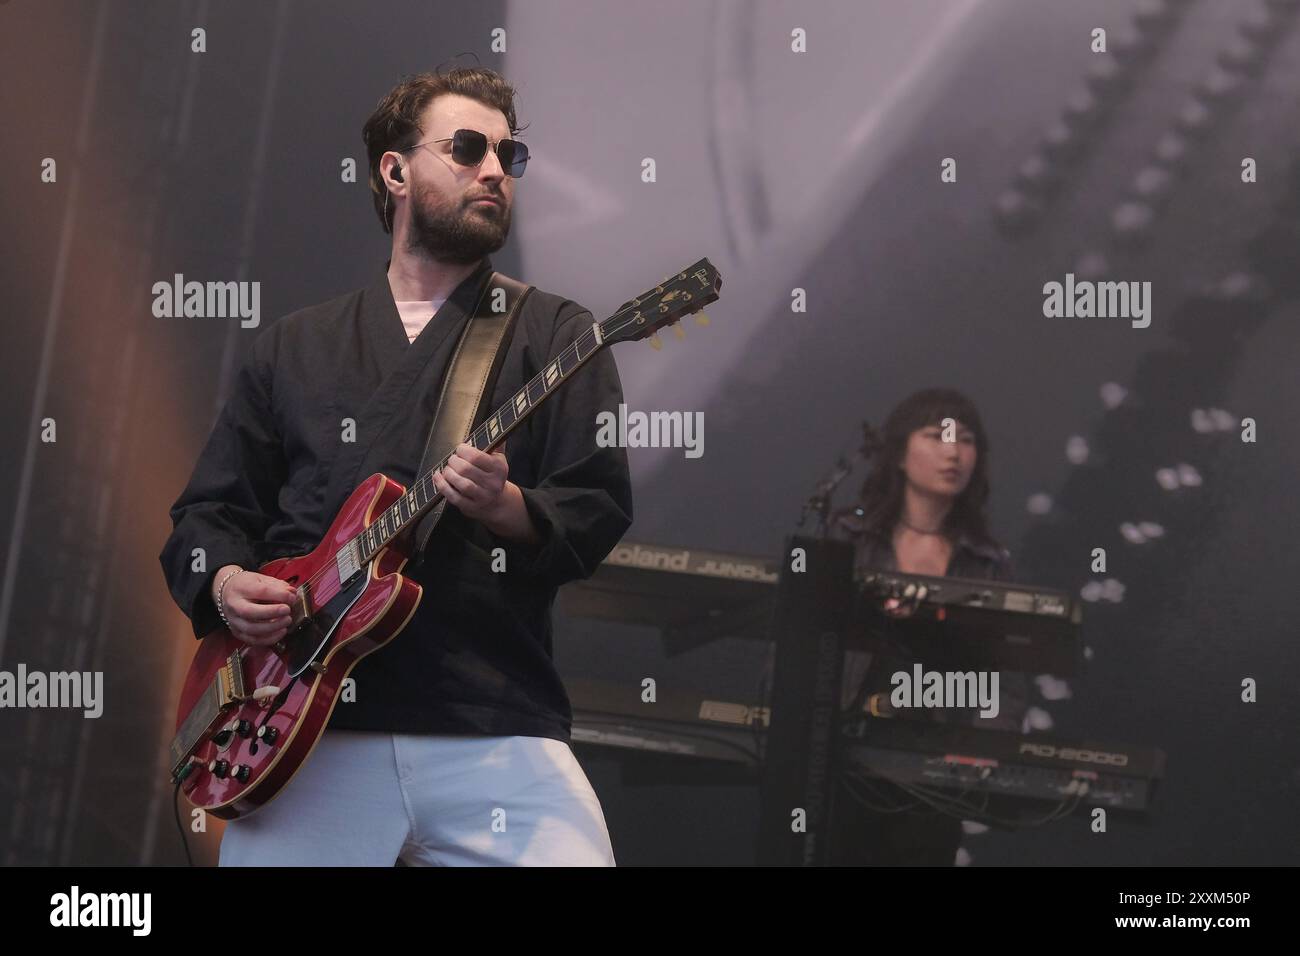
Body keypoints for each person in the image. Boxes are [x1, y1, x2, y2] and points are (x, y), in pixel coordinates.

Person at [158, 67, 633, 866]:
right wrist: (226, 586)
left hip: (489, 719)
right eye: (469, 148)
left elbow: (594, 507)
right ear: (394, 170)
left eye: (508, 156)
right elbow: (207, 517)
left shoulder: (554, 332)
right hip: (304, 731)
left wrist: (505, 503)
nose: (493, 170)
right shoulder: (294, 346)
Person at [828, 387, 1027, 865]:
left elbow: (1009, 673)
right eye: (937, 435)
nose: (954, 452)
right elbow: (799, 639)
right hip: (837, 753)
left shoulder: (988, 563)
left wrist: (986, 745)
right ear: (898, 452)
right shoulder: (848, 539)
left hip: (935, 769)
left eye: (966, 440)